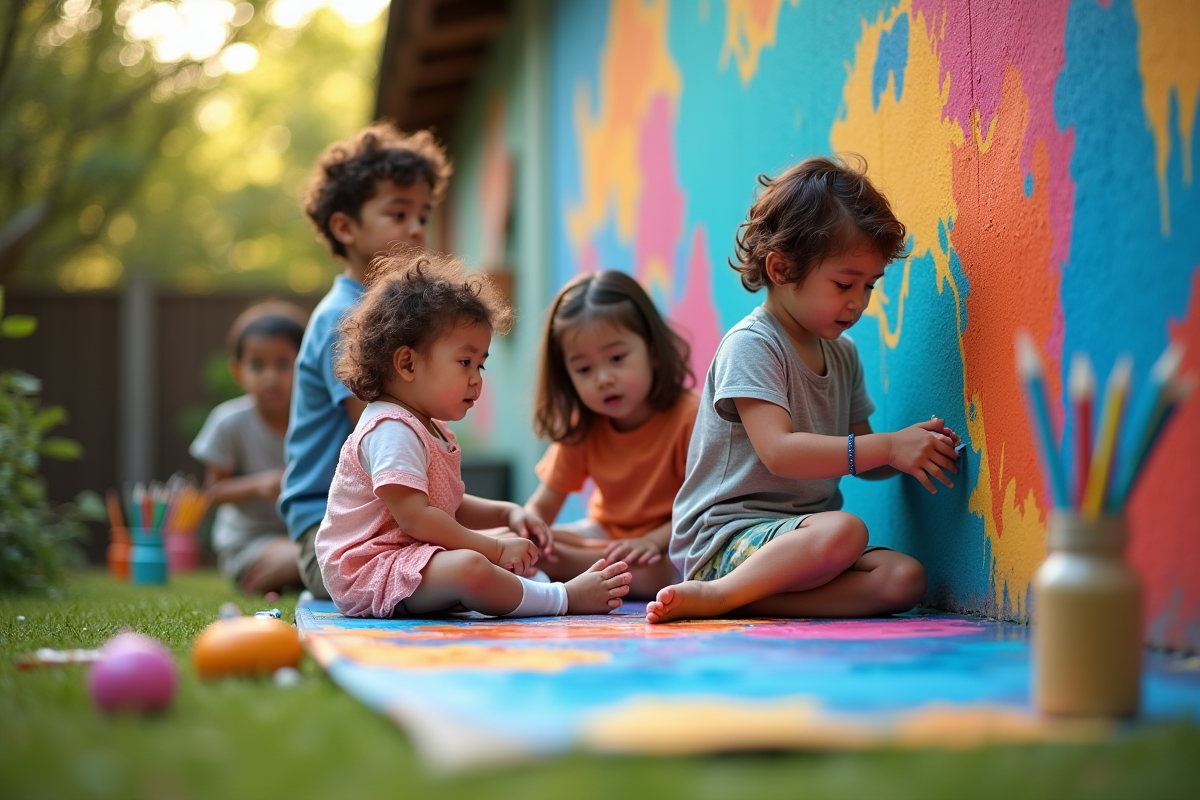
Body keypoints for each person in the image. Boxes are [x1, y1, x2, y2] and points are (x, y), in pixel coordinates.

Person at [648, 155, 961, 624]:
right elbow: (781, 452)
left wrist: (911, 449)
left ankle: (747, 601)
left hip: (796, 542)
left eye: (870, 286)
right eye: (843, 284)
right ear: (780, 269)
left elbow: (860, 454)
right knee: (846, 531)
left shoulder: (843, 354)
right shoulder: (752, 345)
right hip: (728, 539)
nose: (857, 302)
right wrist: (888, 447)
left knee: (904, 579)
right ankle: (717, 593)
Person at [316, 250, 633, 618]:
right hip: (370, 571)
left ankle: (521, 587)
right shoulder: (391, 428)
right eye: (465, 362)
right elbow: (417, 518)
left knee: (492, 548)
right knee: (473, 565)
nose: (476, 378)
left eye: (480, 364)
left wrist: (506, 512)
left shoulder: (428, 427)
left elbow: (449, 505)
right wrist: (495, 551)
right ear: (407, 363)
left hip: (412, 557)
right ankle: (561, 598)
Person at [280, 122, 451, 600]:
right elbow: (392, 434)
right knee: (479, 561)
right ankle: (289, 560)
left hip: (394, 515)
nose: (417, 227)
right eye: (398, 213)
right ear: (345, 227)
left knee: (506, 548)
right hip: (341, 535)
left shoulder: (391, 316)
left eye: (423, 214)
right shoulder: (346, 319)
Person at [523, 271, 699, 599]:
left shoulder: (690, 417)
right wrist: (522, 535)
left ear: (653, 351)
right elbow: (543, 504)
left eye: (617, 358)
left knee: (674, 568)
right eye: (584, 369)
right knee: (531, 540)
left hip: (670, 540)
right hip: (605, 535)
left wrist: (652, 540)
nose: (603, 378)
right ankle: (575, 566)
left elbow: (704, 512)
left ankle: (570, 568)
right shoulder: (585, 425)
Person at [190, 301, 307, 595]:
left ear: (305, 365)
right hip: (247, 544)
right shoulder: (229, 422)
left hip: (302, 535)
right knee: (305, 557)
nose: (270, 377)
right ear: (238, 370)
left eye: (282, 364)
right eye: (257, 365)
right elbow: (212, 494)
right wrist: (257, 486)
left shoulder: (312, 421)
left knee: (318, 554)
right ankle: (260, 578)